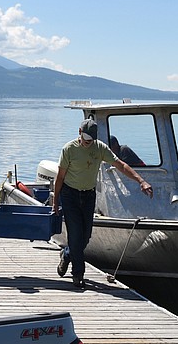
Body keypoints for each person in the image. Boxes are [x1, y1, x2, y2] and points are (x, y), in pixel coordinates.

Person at [51, 118, 152, 289]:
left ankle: (67, 255)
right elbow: (59, 178)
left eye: (91, 141)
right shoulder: (69, 149)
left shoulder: (99, 148)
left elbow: (121, 165)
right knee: (75, 234)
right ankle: (78, 275)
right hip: (70, 195)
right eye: (85, 140)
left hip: (88, 196)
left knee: (85, 237)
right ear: (79, 133)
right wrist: (55, 203)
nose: (87, 143)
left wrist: (141, 181)